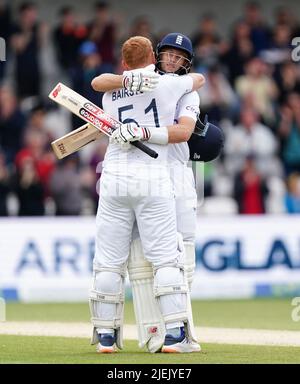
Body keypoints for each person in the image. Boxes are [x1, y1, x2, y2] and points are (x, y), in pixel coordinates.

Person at [91, 33, 223, 353]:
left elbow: (99, 84)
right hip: (152, 175)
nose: (173, 61)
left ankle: (106, 335)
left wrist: (127, 82)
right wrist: (135, 82)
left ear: (124, 62)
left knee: (109, 261)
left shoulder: (112, 94)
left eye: (181, 57)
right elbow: (199, 79)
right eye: (168, 54)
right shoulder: (168, 85)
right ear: (154, 55)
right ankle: (172, 334)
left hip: (116, 178)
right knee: (164, 259)